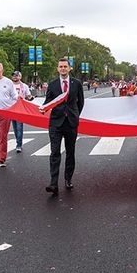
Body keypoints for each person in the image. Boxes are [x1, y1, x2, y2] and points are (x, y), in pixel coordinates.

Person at [43, 58, 84, 196]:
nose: (63, 69)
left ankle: (68, 179)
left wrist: (74, 115)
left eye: (65, 66)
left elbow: (81, 103)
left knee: (70, 152)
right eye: (60, 66)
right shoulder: (53, 84)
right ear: (57, 69)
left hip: (71, 122)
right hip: (55, 123)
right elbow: (48, 102)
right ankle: (53, 183)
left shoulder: (77, 83)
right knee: (54, 153)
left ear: (69, 68)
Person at [11, 71, 33, 153]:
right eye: (13, 76)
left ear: (20, 76)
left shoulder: (24, 86)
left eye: (17, 76)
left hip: (20, 109)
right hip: (11, 108)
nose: (15, 77)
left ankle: (19, 145)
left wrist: (30, 98)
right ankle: (18, 140)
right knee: (15, 128)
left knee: (19, 127)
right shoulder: (9, 85)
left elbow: (28, 95)